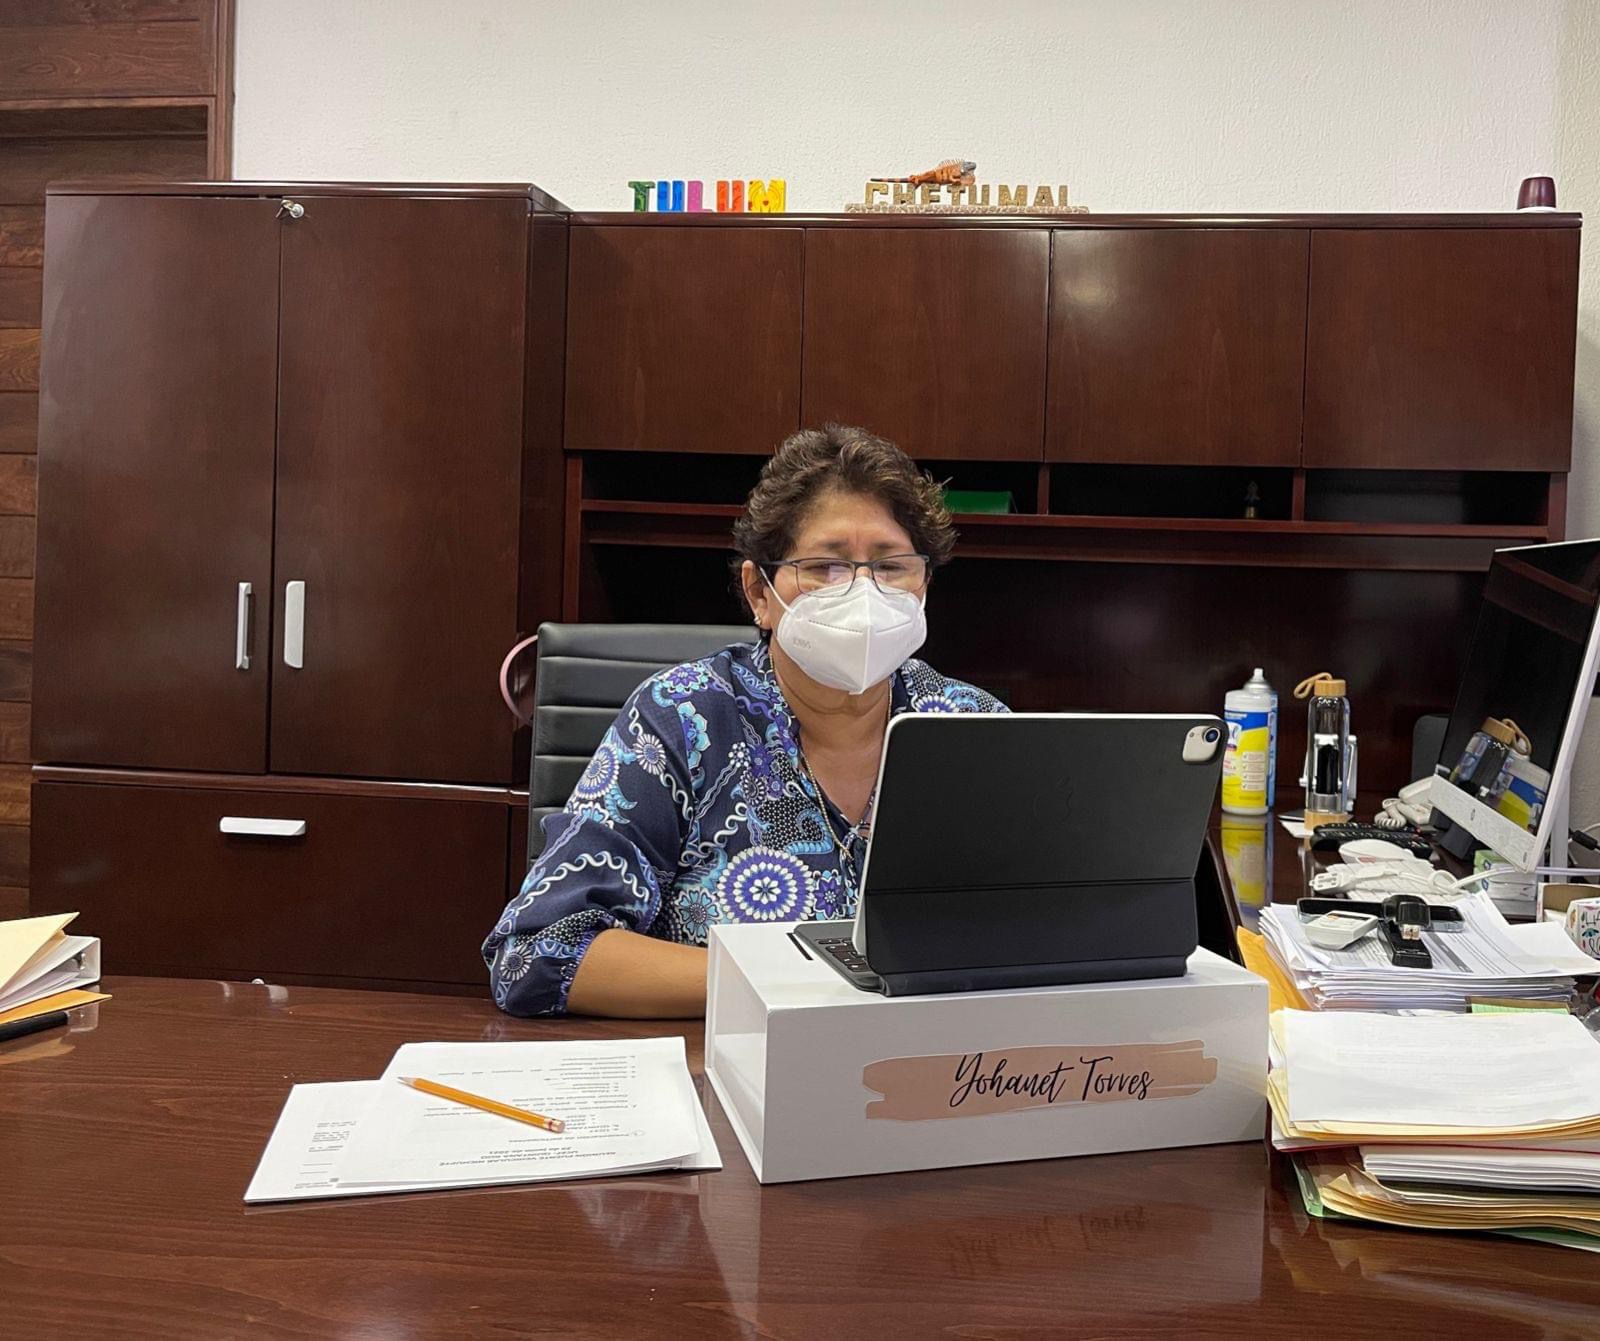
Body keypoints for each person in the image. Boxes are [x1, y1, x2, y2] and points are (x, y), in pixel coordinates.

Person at [483, 425, 1006, 1018]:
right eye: (826, 567)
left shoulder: (976, 728)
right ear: (760, 592)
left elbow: (1050, 933)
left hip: (934, 1061)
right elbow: (538, 954)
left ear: (925, 583)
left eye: (891, 567)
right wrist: (797, 984)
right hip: (729, 1059)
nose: (863, 594)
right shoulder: (684, 718)